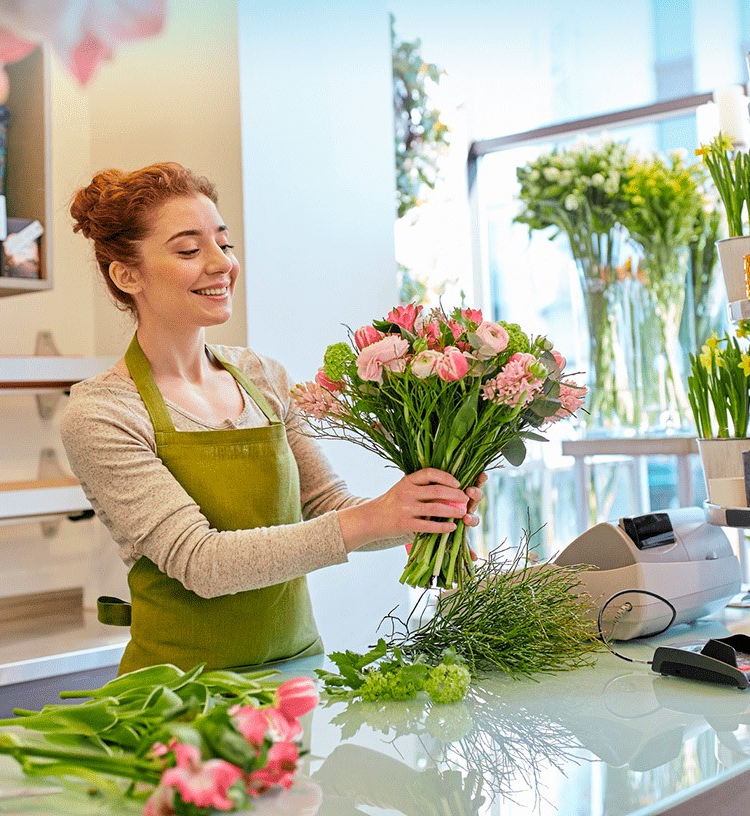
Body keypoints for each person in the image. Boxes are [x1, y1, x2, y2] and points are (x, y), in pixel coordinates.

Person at [61, 162, 485, 674]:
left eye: (224, 244)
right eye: (190, 250)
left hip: (296, 672)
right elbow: (201, 562)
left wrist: (419, 512)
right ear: (127, 275)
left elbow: (327, 505)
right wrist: (374, 517)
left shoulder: (261, 376)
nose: (221, 264)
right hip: (178, 692)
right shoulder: (103, 411)